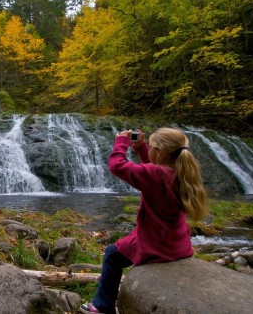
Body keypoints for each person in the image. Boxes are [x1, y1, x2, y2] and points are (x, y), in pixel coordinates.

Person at [79, 127, 208, 314]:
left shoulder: (156, 175)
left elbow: (117, 166)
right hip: (177, 243)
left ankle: (102, 305)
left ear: (160, 153)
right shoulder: (181, 173)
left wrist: (121, 143)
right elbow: (154, 171)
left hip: (155, 243)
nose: (149, 149)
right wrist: (140, 148)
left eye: (151, 147)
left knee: (112, 254)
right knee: (119, 248)